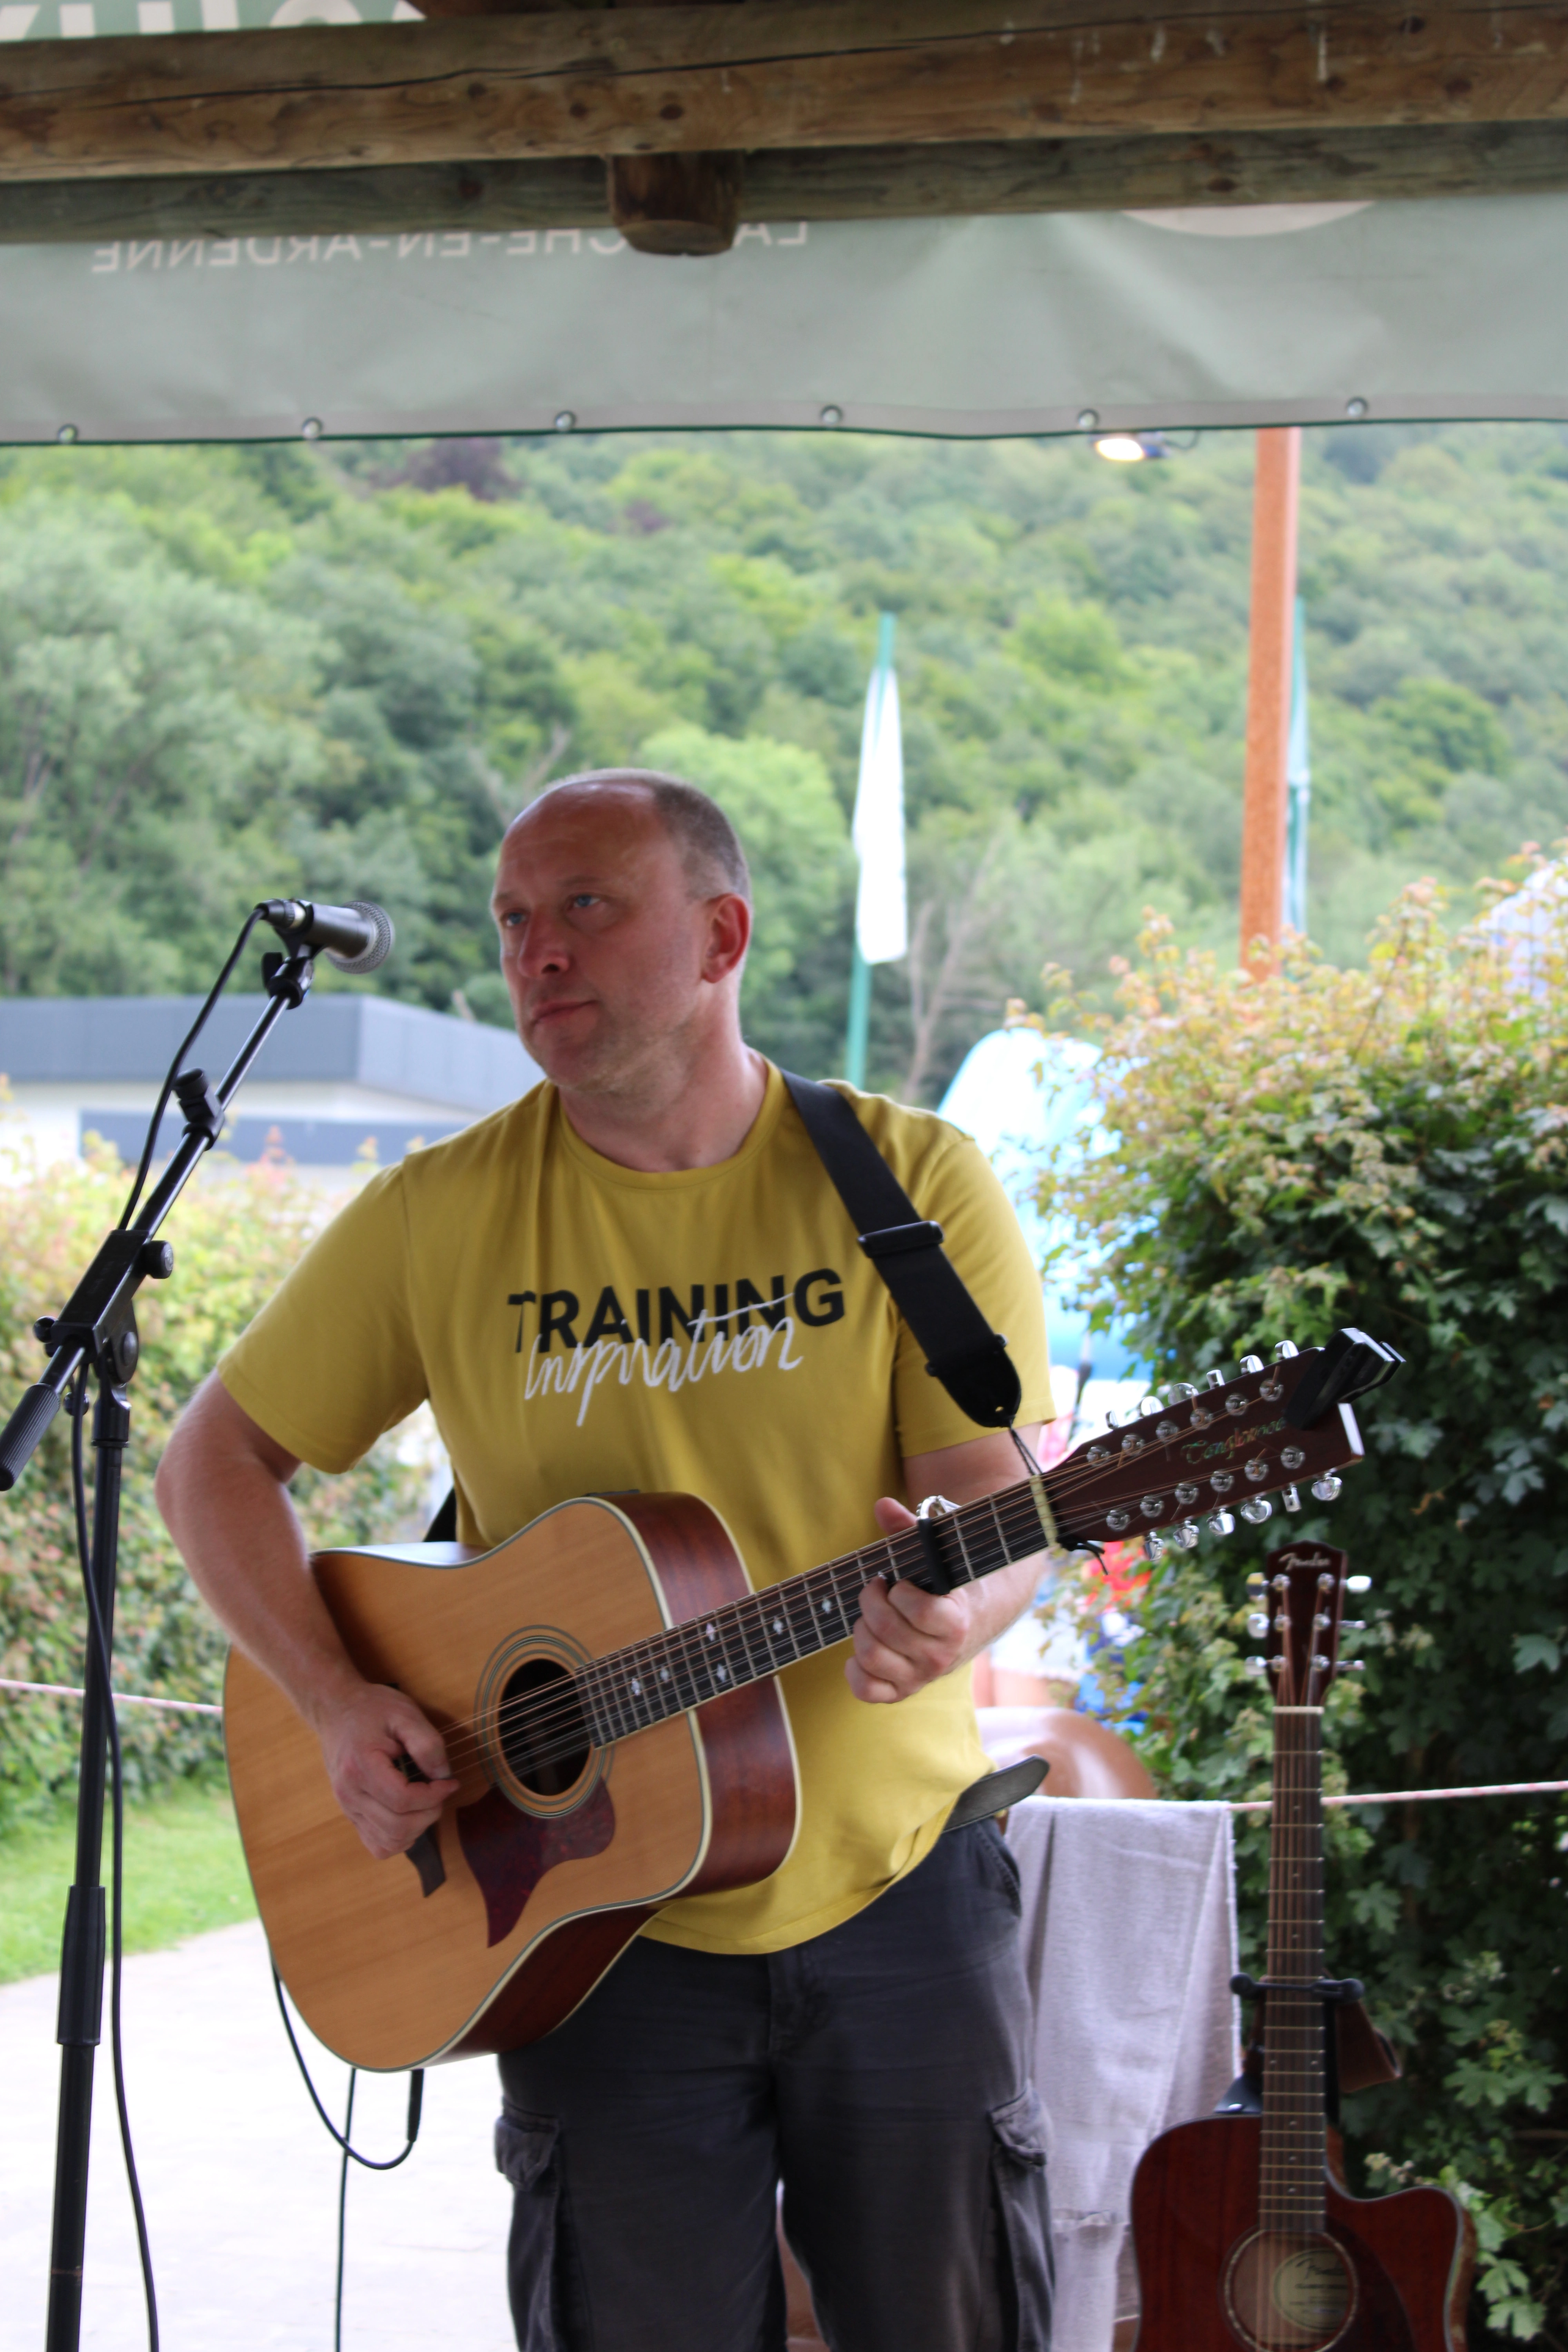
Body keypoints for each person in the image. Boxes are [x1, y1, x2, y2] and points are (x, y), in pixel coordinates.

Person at [156, 769, 1057, 2352]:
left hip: (896, 1900)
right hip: (595, 1935)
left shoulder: (908, 1185)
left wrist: (954, 1605)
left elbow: (1000, 1514)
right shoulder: (441, 1215)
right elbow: (212, 1462)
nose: (536, 955)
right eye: (513, 922)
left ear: (721, 935)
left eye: (586, 906)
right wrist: (330, 1697)